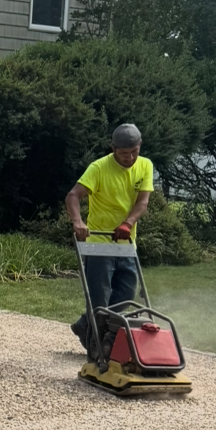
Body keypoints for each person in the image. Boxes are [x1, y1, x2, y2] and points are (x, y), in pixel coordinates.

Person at [65, 122, 153, 328]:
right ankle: (96, 344)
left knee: (126, 294)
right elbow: (73, 196)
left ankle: (87, 326)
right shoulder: (98, 168)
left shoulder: (145, 165)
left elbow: (143, 202)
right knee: (99, 298)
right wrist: (78, 221)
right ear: (113, 148)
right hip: (98, 242)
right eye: (124, 153)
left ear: (140, 145)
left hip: (127, 242)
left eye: (134, 152)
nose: (130, 158)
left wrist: (128, 223)